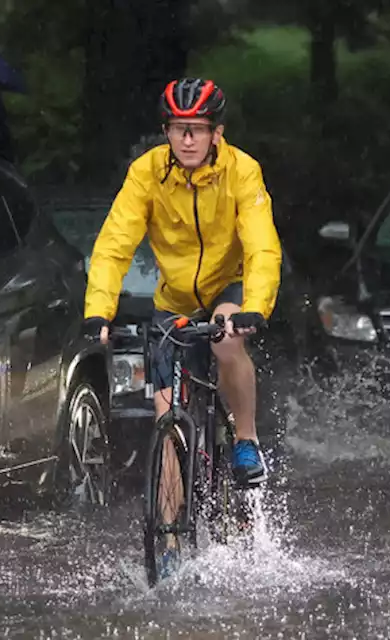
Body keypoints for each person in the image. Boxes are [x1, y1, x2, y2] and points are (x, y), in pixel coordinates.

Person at [80, 77, 283, 488]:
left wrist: (255, 308)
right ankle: (170, 542)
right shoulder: (147, 172)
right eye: (178, 128)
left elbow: (262, 245)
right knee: (167, 423)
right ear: (166, 131)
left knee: (226, 340)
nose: (187, 140)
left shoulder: (242, 171)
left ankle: (246, 439)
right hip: (174, 298)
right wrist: (99, 310)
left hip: (230, 285)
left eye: (198, 129)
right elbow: (114, 244)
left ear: (217, 133)